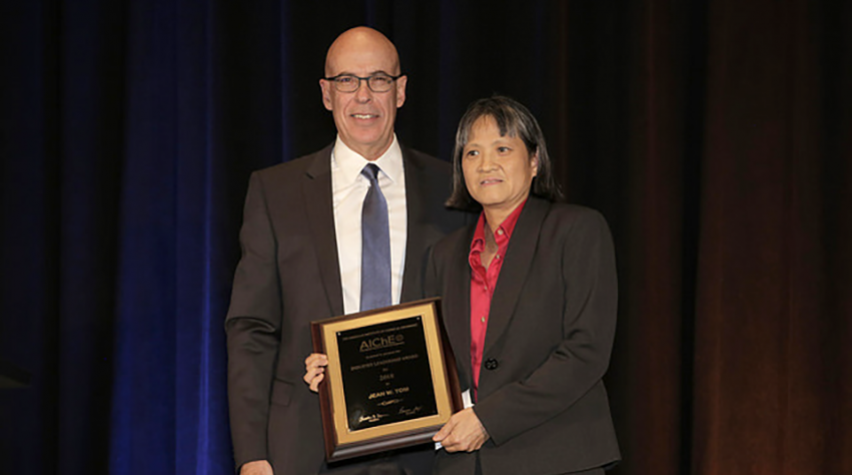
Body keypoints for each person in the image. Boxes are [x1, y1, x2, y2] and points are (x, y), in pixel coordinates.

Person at [225, 27, 467, 475]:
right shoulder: (275, 192)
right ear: (325, 93)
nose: (362, 96)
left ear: (401, 91)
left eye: (378, 79)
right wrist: (252, 455)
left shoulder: (451, 190)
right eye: (346, 81)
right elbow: (251, 328)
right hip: (304, 446)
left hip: (430, 452)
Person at [425, 96, 620, 475]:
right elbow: (428, 359)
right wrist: (340, 378)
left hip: (557, 458)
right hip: (464, 466)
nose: (486, 165)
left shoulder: (577, 231)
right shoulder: (444, 255)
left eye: (502, 148)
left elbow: (586, 352)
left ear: (534, 161)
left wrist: (487, 419)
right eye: (472, 153)